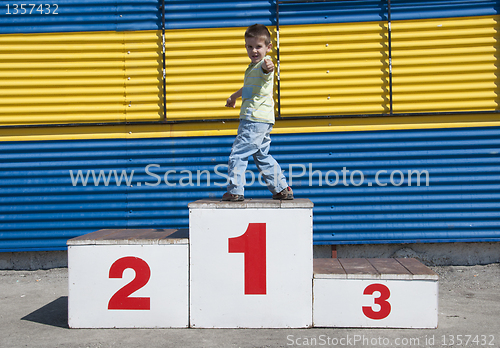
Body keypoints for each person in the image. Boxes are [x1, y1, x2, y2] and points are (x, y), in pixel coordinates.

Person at [222, 24, 293, 202]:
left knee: (238, 154)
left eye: (258, 47)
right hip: (263, 120)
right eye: (250, 46)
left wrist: (268, 65)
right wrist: (233, 97)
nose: (254, 51)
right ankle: (282, 188)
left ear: (268, 47)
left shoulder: (263, 65)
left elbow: (267, 69)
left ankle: (235, 190)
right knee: (262, 155)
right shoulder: (252, 68)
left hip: (253, 119)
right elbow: (249, 89)